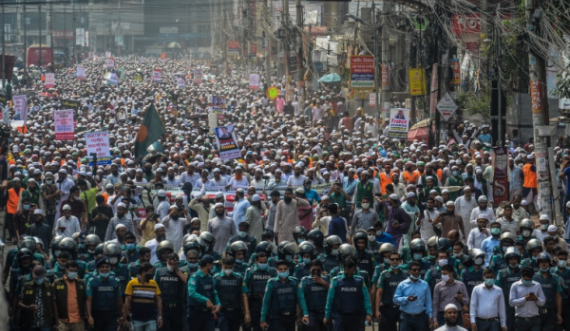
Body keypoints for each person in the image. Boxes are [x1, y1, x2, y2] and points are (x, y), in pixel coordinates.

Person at [260, 259, 309, 331]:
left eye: (285, 269)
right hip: (277, 317)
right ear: (277, 270)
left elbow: (301, 299)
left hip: (291, 317)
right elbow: (266, 302)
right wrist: (262, 320)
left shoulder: (294, 282)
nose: (283, 271)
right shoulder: (271, 283)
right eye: (280, 269)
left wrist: (305, 314)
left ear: (288, 269)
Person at [393, 261, 434, 331]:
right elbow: (395, 299)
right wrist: (406, 299)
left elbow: (428, 302)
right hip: (406, 318)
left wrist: (430, 316)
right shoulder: (402, 285)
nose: (417, 271)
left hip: (421, 318)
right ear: (409, 272)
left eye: (419, 270)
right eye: (414, 270)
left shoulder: (425, 284)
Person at [123, 261, 163, 331]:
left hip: (151, 318)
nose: (151, 274)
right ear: (143, 272)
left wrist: (160, 316)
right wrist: (125, 318)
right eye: (150, 272)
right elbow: (127, 302)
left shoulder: (153, 283)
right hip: (136, 319)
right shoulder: (132, 283)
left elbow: (158, 300)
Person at [214, 256, 250, 331]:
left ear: (233, 266)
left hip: (235, 312)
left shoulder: (239, 277)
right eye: (226, 267)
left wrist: (247, 313)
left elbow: (244, 295)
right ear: (222, 265)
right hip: (222, 311)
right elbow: (213, 293)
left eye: (230, 267)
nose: (228, 269)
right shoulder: (216, 278)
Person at [18, 265, 59, 331]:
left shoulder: (50, 288)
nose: (39, 280)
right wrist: (28, 307)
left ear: (44, 276)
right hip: (30, 323)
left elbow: (54, 305)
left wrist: (57, 323)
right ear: (33, 276)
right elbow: (19, 302)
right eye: (37, 278)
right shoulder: (26, 286)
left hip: (45, 323)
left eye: (40, 277)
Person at [187, 254, 221, 331]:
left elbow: (214, 292)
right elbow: (192, 292)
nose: (213, 267)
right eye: (212, 265)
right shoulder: (195, 277)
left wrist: (218, 304)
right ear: (208, 265)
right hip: (196, 313)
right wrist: (206, 300)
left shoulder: (210, 278)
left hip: (208, 314)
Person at [154, 253, 187, 331]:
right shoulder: (159, 271)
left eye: (175, 263)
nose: (172, 265)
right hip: (163, 307)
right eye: (170, 263)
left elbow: (186, 281)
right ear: (167, 261)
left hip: (177, 308)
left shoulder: (181, 271)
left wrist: (176, 270)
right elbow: (154, 287)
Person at [375, 251, 407, 331]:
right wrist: (377, 310)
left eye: (397, 259)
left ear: (400, 260)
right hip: (388, 309)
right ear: (389, 261)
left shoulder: (406, 274)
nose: (395, 261)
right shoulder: (384, 274)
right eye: (392, 259)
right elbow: (379, 293)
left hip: (403, 308)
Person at [509, 266, 546, 331]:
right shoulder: (515, 286)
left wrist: (536, 299)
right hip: (521, 320)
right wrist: (524, 299)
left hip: (535, 319)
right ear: (521, 276)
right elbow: (511, 303)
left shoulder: (537, 285)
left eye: (530, 279)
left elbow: (543, 302)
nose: (528, 281)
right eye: (526, 279)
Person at [53, 260, 87, 331]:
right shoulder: (57, 283)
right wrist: (56, 321)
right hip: (62, 320)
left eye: (75, 271)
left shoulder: (82, 283)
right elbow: (53, 302)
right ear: (66, 270)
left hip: (78, 320)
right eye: (71, 270)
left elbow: (86, 300)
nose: (73, 273)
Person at [532, 252, 563, 330]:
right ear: (538, 264)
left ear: (549, 263)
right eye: (541, 262)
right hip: (536, 314)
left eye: (546, 262)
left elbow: (558, 297)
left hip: (551, 314)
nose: (543, 264)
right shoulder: (533, 278)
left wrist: (559, 314)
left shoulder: (555, 278)